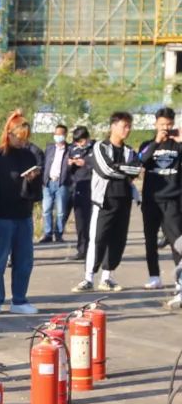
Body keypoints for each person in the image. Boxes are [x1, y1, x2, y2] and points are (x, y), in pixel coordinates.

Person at [0, 111, 42, 314]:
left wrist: (33, 180)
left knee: (24, 261)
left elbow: (37, 192)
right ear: (9, 134)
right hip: (1, 216)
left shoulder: (29, 155)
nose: (22, 142)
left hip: (23, 215)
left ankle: (19, 300)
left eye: (25, 138)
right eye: (19, 137)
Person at [73, 112, 141, 292]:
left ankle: (107, 277)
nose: (127, 130)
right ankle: (88, 278)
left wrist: (122, 169)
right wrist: (126, 170)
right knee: (98, 238)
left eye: (129, 126)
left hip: (124, 199)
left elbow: (136, 169)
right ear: (113, 126)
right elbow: (106, 170)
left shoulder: (129, 151)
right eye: (124, 126)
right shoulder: (100, 147)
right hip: (104, 200)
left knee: (118, 240)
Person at [137, 107, 181, 290]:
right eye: (162, 124)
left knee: (177, 241)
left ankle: (180, 280)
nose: (165, 127)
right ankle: (154, 276)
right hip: (151, 200)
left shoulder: (178, 145)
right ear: (155, 124)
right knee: (150, 239)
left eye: (169, 124)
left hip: (172, 200)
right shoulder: (147, 144)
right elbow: (141, 160)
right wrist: (156, 142)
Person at [65, 126, 94, 261]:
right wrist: (70, 164)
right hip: (78, 187)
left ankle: (93, 249)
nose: (80, 144)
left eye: (82, 141)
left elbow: (100, 166)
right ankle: (82, 249)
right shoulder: (72, 149)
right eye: (77, 142)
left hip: (92, 187)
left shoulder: (95, 148)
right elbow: (67, 169)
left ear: (87, 138)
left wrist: (86, 163)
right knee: (80, 221)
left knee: (92, 221)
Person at [39, 124, 71, 243]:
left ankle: (58, 234)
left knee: (61, 211)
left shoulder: (70, 150)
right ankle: (47, 234)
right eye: (56, 134)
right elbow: (44, 163)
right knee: (46, 210)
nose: (57, 136)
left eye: (60, 134)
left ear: (65, 135)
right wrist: (43, 180)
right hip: (48, 183)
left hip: (61, 183)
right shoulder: (50, 148)